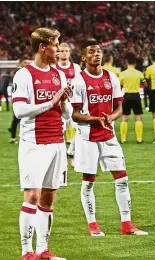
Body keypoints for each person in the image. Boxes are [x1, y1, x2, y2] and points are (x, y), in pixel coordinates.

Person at [71, 39, 148, 237]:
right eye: (91, 52)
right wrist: (94, 119)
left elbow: (119, 107)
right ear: (83, 58)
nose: (96, 54)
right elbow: (75, 114)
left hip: (109, 136)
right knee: (88, 182)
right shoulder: (79, 80)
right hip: (88, 137)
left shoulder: (111, 77)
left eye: (98, 51)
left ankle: (126, 224)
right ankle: (93, 224)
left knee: (122, 179)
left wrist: (111, 117)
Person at [13, 27, 72, 260]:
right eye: (55, 45)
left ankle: (43, 249)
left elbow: (67, 114)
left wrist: (64, 102)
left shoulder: (59, 74)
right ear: (42, 47)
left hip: (57, 142)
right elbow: (19, 111)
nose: (58, 50)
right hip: (34, 144)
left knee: (48, 198)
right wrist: (52, 101)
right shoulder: (24, 75)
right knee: (32, 196)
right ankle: (26, 252)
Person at [55, 42, 82, 166]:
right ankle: (60, 158)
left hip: (73, 103)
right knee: (58, 131)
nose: (64, 53)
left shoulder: (76, 68)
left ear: (70, 53)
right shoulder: (54, 68)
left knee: (81, 129)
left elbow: (81, 84)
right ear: (57, 53)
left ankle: (71, 151)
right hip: (60, 104)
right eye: (61, 50)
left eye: (66, 50)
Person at [119, 52, 146, 144]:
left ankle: (123, 139)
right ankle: (139, 139)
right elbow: (145, 84)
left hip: (126, 96)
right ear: (135, 64)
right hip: (136, 96)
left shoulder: (122, 74)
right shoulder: (139, 73)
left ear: (127, 63)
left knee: (124, 118)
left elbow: (119, 86)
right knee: (138, 117)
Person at [8, 58, 28, 144]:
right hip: (18, 97)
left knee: (17, 119)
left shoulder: (21, 71)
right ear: (20, 63)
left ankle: (14, 136)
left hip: (19, 97)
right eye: (24, 62)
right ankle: (13, 137)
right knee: (17, 118)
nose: (26, 64)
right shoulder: (19, 72)